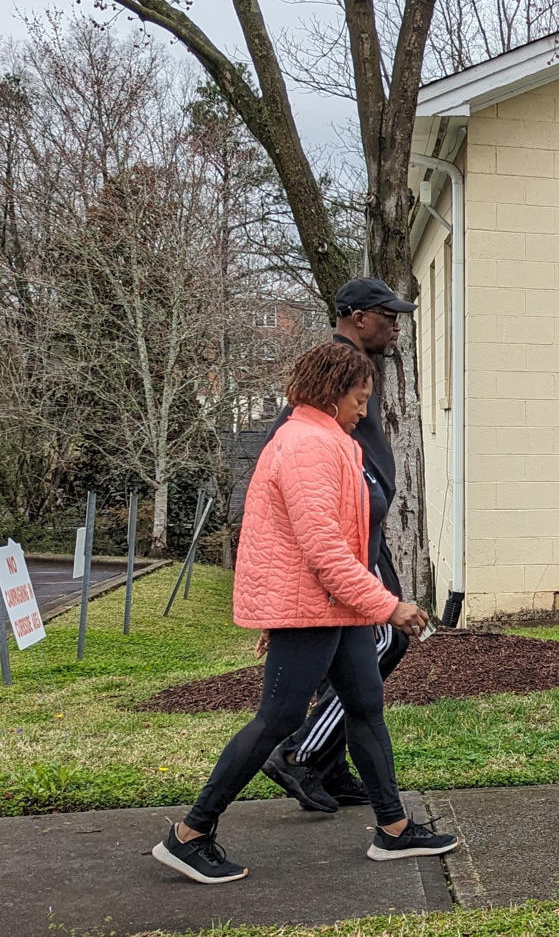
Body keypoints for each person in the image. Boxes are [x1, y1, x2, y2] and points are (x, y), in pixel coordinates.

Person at [152, 343, 456, 884]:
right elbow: (324, 548)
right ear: (332, 392)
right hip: (311, 607)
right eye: (359, 400)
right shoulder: (307, 444)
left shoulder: (327, 439)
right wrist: (389, 605)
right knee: (280, 717)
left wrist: (367, 604)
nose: (364, 411)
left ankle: (393, 828)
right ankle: (190, 833)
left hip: (337, 607)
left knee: (364, 705)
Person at [258, 278, 417, 813]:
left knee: (367, 660)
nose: (395, 323)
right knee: (383, 642)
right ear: (353, 315)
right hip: (346, 541)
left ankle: (329, 764)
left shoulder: (355, 367)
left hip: (360, 534)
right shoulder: (335, 369)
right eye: (386, 314)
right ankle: (302, 752)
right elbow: (297, 447)